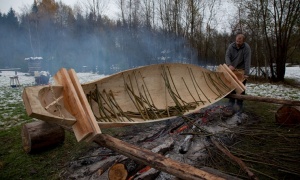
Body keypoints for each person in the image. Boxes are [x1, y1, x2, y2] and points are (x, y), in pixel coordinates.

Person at [225, 33, 251, 114]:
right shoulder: (231, 46)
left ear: (243, 41)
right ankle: (230, 105)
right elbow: (227, 56)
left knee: (241, 89)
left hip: (241, 70)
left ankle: (239, 106)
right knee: (232, 87)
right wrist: (229, 65)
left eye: (240, 41)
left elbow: (247, 60)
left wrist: (246, 73)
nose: (238, 42)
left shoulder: (246, 48)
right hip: (232, 69)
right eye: (237, 40)